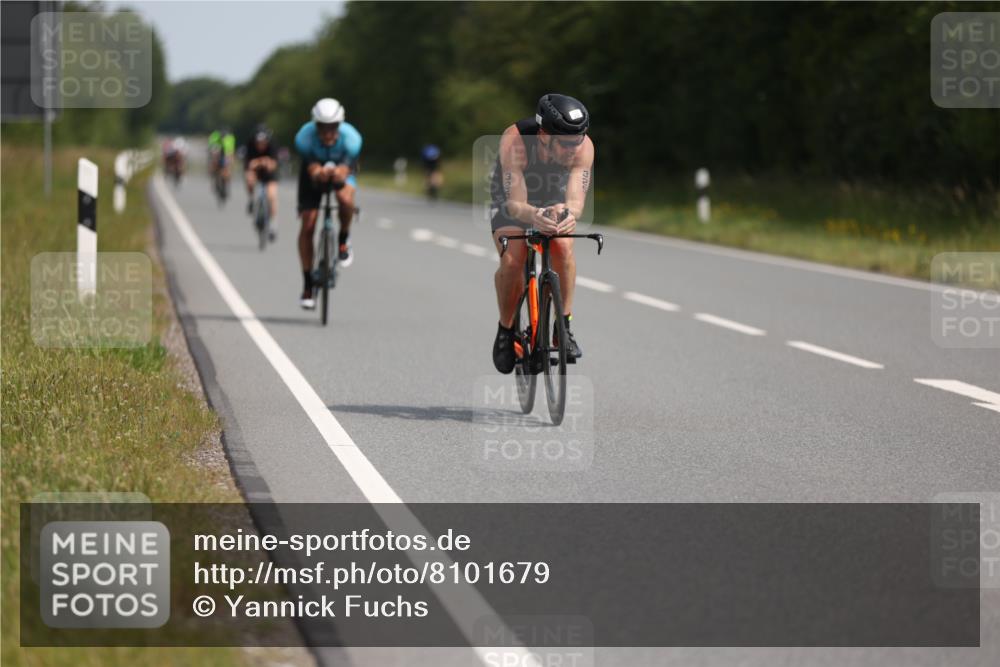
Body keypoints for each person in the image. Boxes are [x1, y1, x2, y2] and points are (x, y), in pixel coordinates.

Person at [488, 93, 594, 374]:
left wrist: (568, 214)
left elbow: (576, 202)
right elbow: (515, 204)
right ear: (544, 135)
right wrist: (534, 215)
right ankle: (505, 330)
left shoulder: (583, 146)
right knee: (513, 260)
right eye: (567, 143)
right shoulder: (516, 141)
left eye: (579, 140)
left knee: (563, 247)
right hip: (513, 195)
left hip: (552, 192)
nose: (575, 148)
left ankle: (563, 326)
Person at [294, 98, 363, 309]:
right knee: (308, 225)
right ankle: (307, 284)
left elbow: (346, 170)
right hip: (314, 173)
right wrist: (318, 173)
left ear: (339, 125)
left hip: (342, 170)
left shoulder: (351, 139)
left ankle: (343, 238)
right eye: (322, 127)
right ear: (315, 125)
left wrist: (337, 174)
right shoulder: (304, 139)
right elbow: (311, 169)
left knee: (345, 199)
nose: (327, 132)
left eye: (332, 127)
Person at [243, 124, 279, 240]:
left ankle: (273, 223)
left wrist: (262, 162)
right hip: (255, 171)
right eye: (258, 142)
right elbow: (249, 165)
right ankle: (251, 199)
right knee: (249, 179)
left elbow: (273, 165)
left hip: (269, 173)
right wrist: (261, 162)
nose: (261, 145)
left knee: (271, 195)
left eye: (263, 142)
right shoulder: (250, 145)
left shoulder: (272, 146)